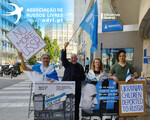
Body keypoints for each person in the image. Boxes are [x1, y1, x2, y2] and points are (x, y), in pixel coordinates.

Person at [109, 50, 139, 120]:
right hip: (117, 87)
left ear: (125, 56)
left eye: (123, 56)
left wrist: (133, 78)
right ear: (118, 57)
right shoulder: (115, 66)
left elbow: (137, 75)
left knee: (125, 104)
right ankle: (117, 117)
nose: (122, 57)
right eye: (120, 56)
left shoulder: (129, 65)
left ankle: (124, 118)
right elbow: (109, 76)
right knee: (117, 103)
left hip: (127, 88)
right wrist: (113, 77)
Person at [61, 42, 85, 120]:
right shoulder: (67, 64)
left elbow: (83, 77)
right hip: (67, 89)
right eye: (72, 58)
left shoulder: (80, 66)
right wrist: (65, 47)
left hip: (77, 89)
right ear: (70, 59)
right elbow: (63, 58)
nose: (73, 59)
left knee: (76, 105)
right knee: (66, 104)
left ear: (77, 59)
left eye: (75, 58)